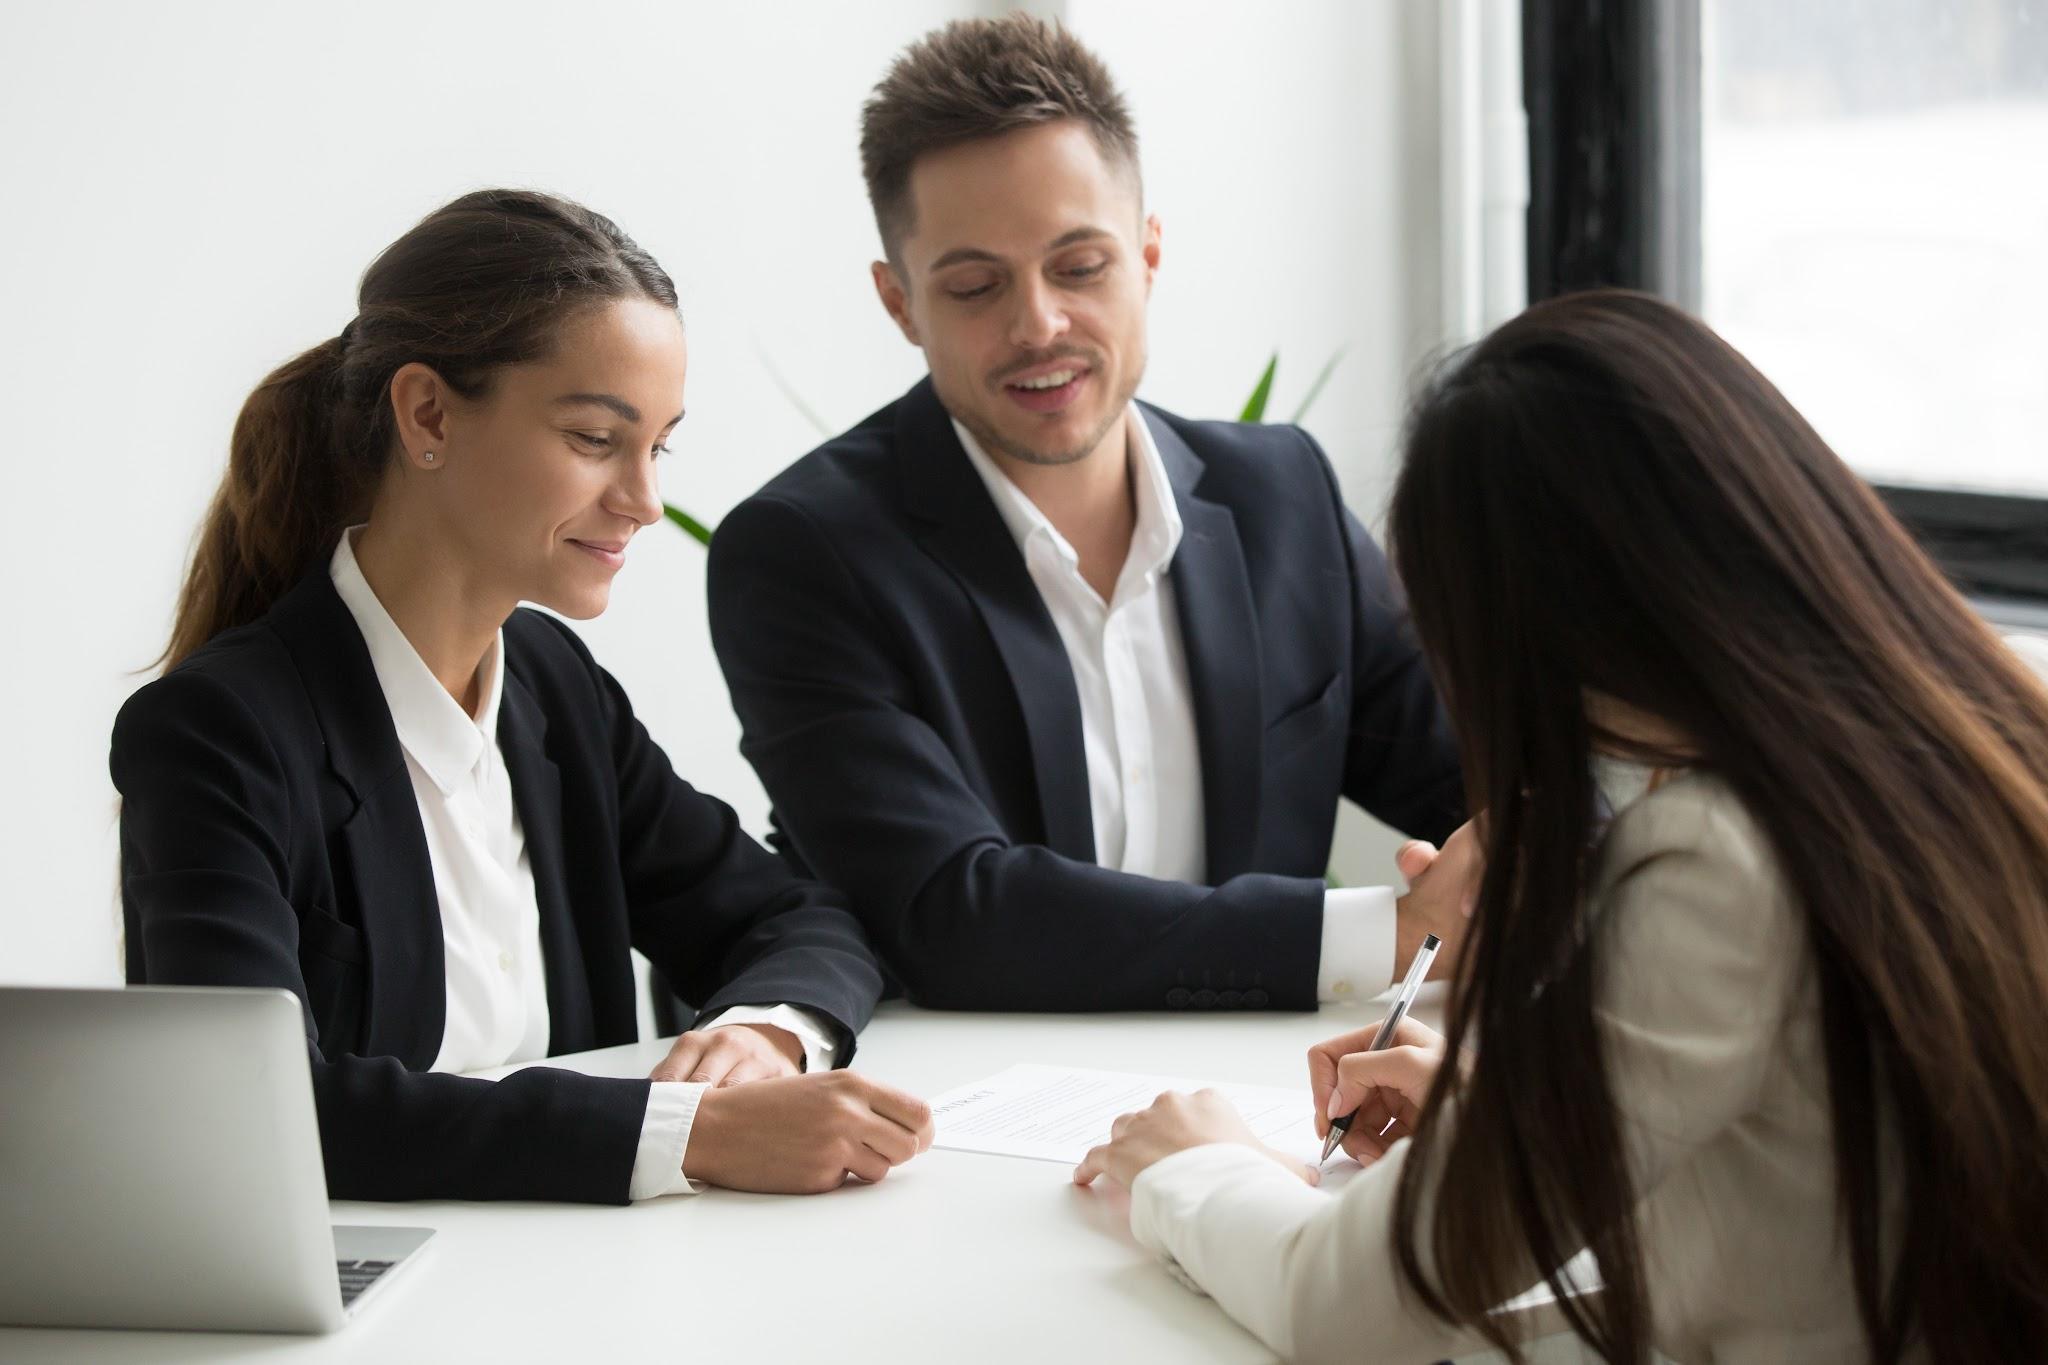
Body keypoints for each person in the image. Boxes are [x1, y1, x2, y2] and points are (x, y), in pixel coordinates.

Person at [1074, 290, 2048, 1362]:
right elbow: (1812, 1138)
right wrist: (1508, 1106)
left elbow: (1340, 1309)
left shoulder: (1711, 857)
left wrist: (1195, 1166)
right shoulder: (1992, 727)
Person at [112, 189, 933, 1205]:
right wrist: (682, 1135)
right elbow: (256, 1107)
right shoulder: (219, 734)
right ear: (428, 416)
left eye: (658, 446)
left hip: (588, 1278)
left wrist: (762, 1032)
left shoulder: (556, 693)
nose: (641, 500)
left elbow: (798, 917)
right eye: (596, 438)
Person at [707, 14, 1469, 1014]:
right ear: (899, 305)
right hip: (943, 1125)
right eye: (975, 286)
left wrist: (1532, 853)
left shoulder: (1281, 495)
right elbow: (952, 913)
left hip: (1264, 1105)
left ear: (1147, 257)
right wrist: (1390, 931)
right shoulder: (804, 554)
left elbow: (1476, 768)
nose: (1038, 325)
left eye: (1079, 267)